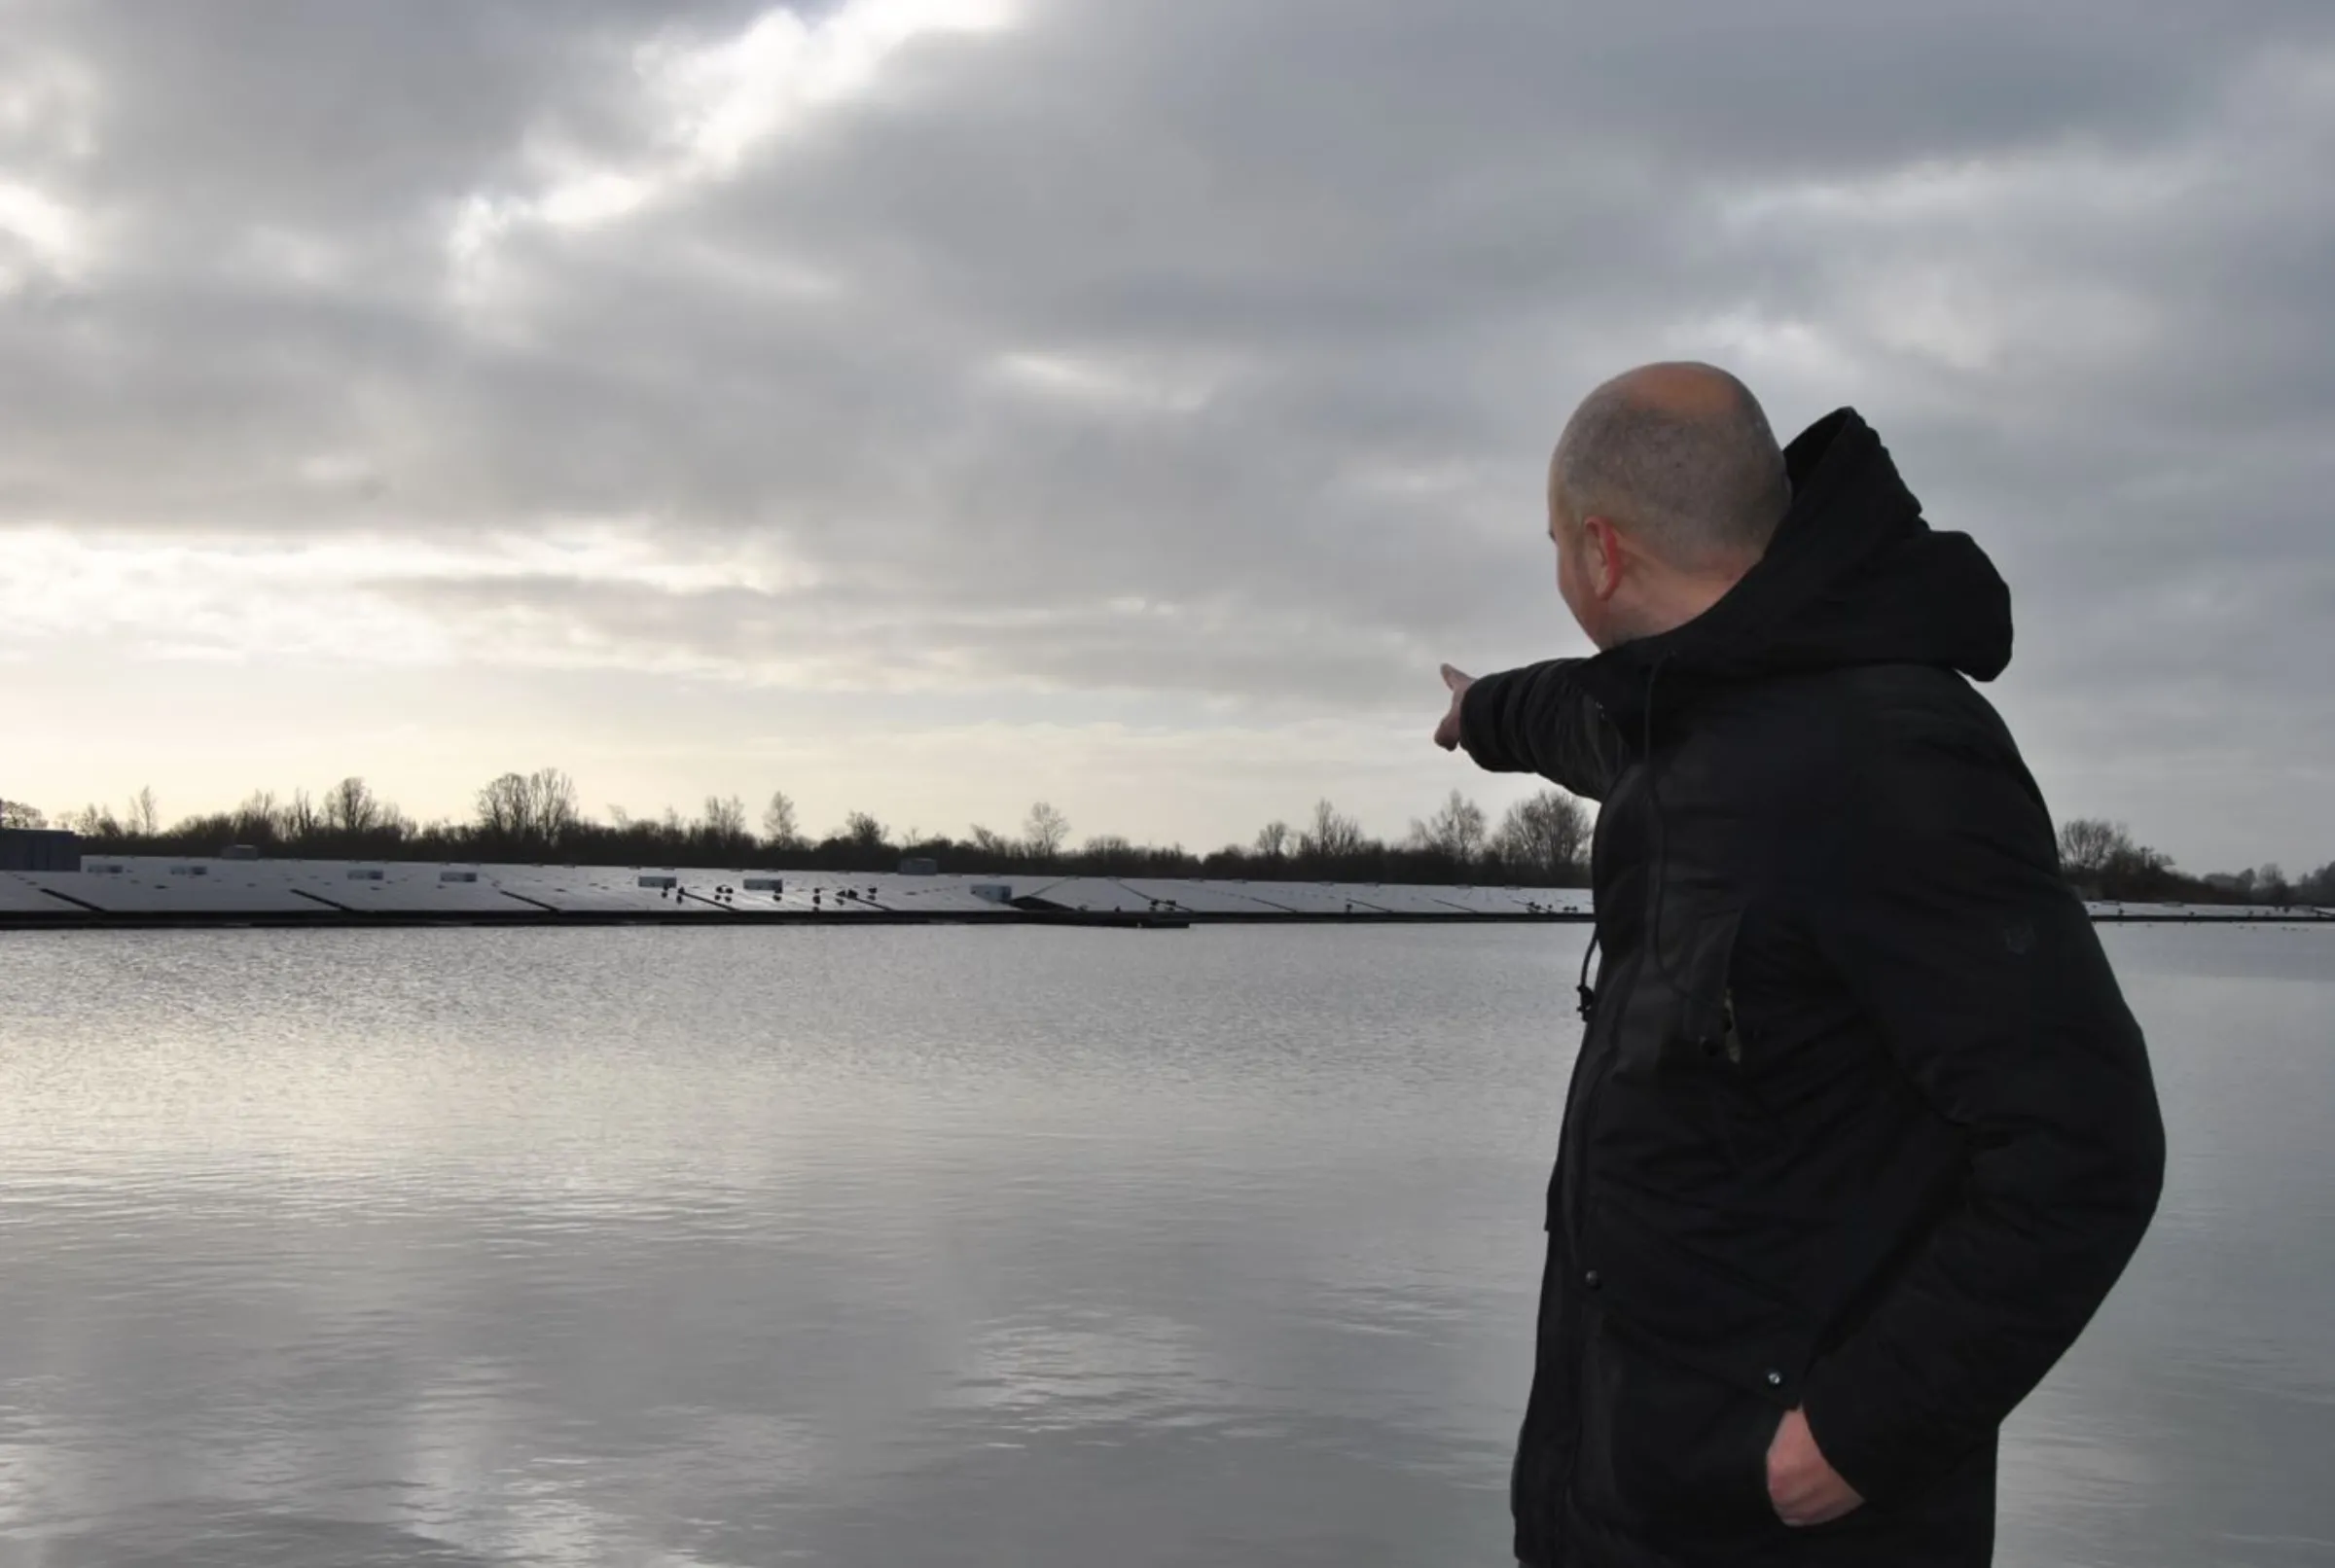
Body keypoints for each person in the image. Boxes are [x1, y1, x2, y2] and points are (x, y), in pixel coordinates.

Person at [1435, 364, 2166, 1566]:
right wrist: (1483, 716)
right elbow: (1580, 715)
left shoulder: (1894, 763)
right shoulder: (1691, 712)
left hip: (1780, 1518)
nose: (1561, 571)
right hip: (1631, 1489)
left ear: (1601, 554)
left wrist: (1858, 1435)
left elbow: (2087, 1147)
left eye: (1557, 545)